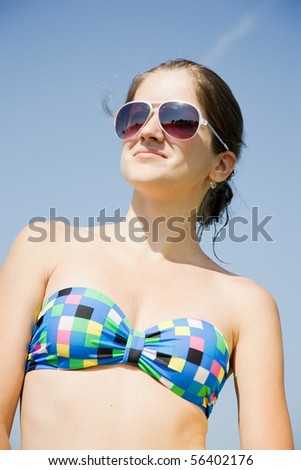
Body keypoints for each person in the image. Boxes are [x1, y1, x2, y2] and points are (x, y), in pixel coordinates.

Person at [0, 59, 294, 450]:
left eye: (179, 120)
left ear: (221, 165)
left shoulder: (248, 304)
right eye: (135, 117)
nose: (149, 132)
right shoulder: (45, 246)